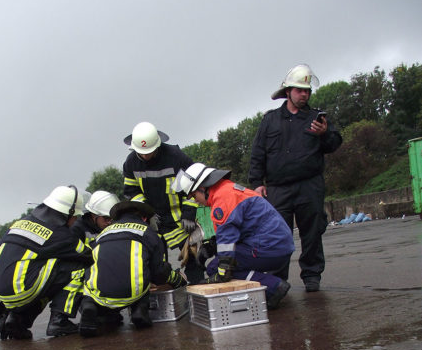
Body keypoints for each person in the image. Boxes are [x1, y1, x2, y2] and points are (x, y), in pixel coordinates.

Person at [248, 64, 342, 292]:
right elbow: (257, 153)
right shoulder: (270, 120)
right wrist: (257, 184)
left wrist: (325, 133)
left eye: (307, 90)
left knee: (312, 232)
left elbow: (334, 144)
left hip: (310, 186)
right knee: (278, 236)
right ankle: (278, 279)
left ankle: (312, 275)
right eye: (300, 90)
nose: (304, 94)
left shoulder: (316, 118)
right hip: (278, 189)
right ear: (288, 91)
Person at [172, 163, 295, 309]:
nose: (195, 200)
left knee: (215, 268)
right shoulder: (228, 190)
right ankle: (268, 286)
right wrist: (211, 247)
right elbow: (234, 230)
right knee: (223, 265)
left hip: (269, 247)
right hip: (276, 245)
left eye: (193, 195)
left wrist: (222, 272)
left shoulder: (222, 199)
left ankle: (273, 286)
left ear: (202, 187)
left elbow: (227, 241)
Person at [0, 185, 94, 340]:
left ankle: (17, 319)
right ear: (67, 213)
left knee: (43, 272)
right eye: (75, 217)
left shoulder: (20, 223)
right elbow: (88, 255)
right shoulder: (60, 234)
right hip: (23, 289)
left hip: (2, 292)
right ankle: (59, 321)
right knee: (77, 268)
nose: (75, 221)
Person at [79, 200, 185, 337]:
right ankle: (139, 310)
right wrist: (178, 280)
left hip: (99, 292)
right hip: (133, 292)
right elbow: (158, 274)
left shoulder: (103, 233)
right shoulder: (149, 233)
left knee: (92, 288)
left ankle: (89, 305)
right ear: (144, 218)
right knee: (144, 274)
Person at [122, 121, 205, 284]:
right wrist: (147, 213)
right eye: (141, 152)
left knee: (195, 255)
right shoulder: (131, 163)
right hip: (154, 220)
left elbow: (194, 186)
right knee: (156, 263)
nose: (145, 156)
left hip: (180, 219)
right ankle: (167, 299)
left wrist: (189, 213)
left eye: (149, 152)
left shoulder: (175, 157)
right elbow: (132, 192)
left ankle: (197, 293)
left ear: (158, 145)